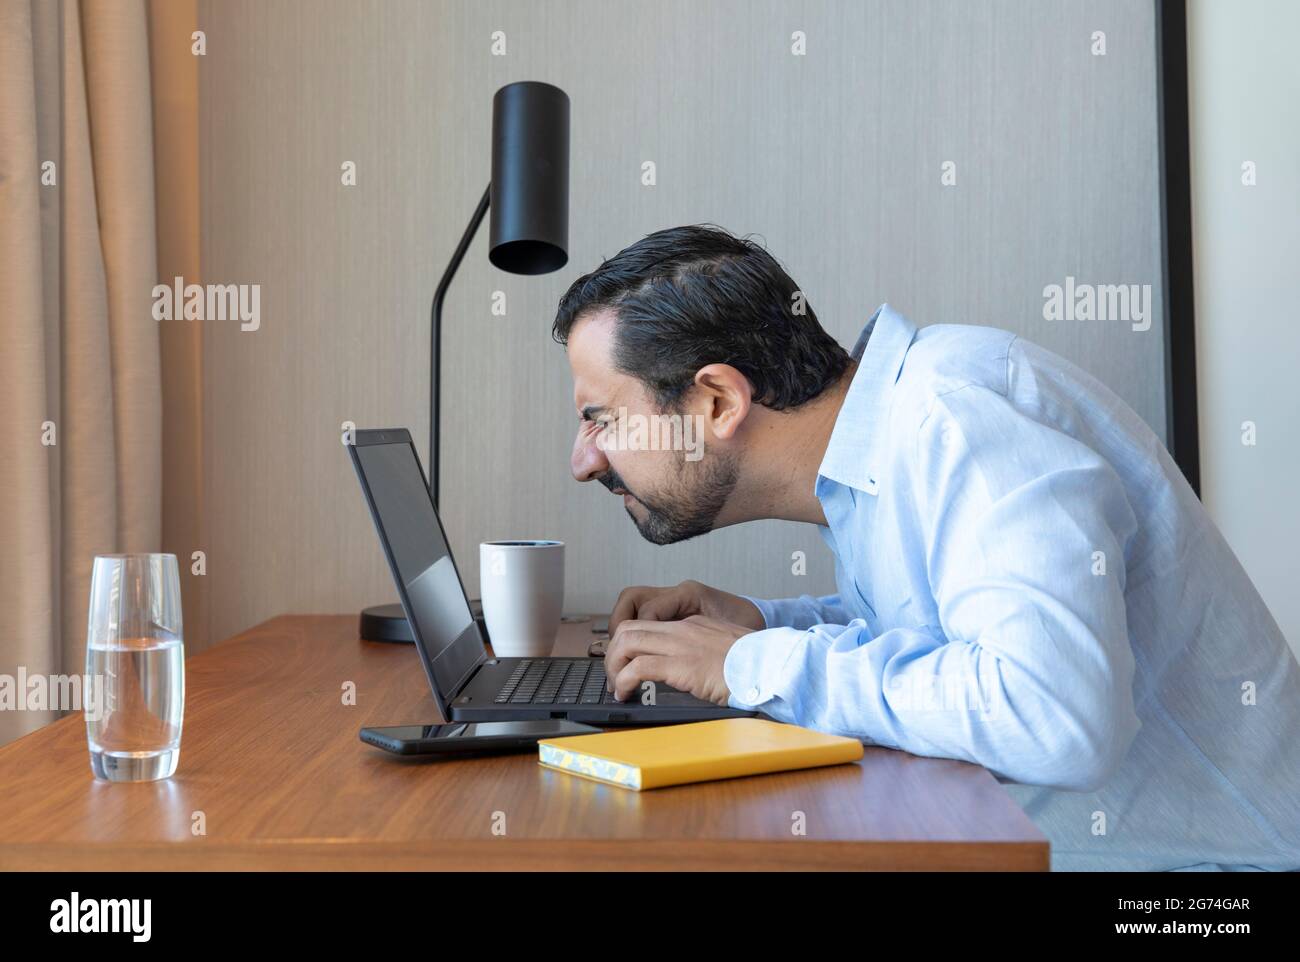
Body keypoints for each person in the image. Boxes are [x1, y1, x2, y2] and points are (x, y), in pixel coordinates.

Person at [555, 224, 1300, 872]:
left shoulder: (958, 422)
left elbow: (1053, 717)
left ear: (717, 401)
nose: (584, 461)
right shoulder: (878, 451)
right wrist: (765, 625)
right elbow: (946, 634)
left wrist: (749, 666)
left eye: (602, 418)